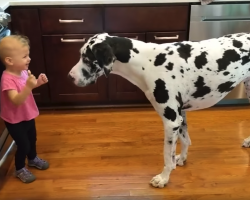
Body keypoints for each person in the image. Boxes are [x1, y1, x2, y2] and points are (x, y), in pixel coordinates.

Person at [0, 34, 49, 183]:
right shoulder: (7, 79)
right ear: (10, 61)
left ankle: (33, 159)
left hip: (27, 114)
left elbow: (27, 88)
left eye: (28, 55)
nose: (29, 59)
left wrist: (37, 83)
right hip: (14, 120)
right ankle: (19, 168)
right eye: (24, 56)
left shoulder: (22, 72)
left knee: (32, 139)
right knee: (23, 144)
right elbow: (16, 100)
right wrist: (28, 86)